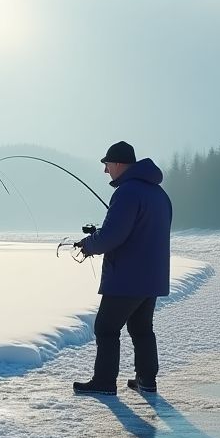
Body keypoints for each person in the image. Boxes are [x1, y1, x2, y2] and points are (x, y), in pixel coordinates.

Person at [72, 140, 173, 396]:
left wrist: (88, 244)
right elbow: (139, 232)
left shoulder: (127, 192)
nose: (106, 171)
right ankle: (147, 380)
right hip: (152, 276)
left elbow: (113, 236)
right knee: (141, 329)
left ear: (118, 163)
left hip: (128, 276)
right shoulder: (159, 194)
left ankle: (104, 382)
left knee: (105, 327)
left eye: (107, 165)